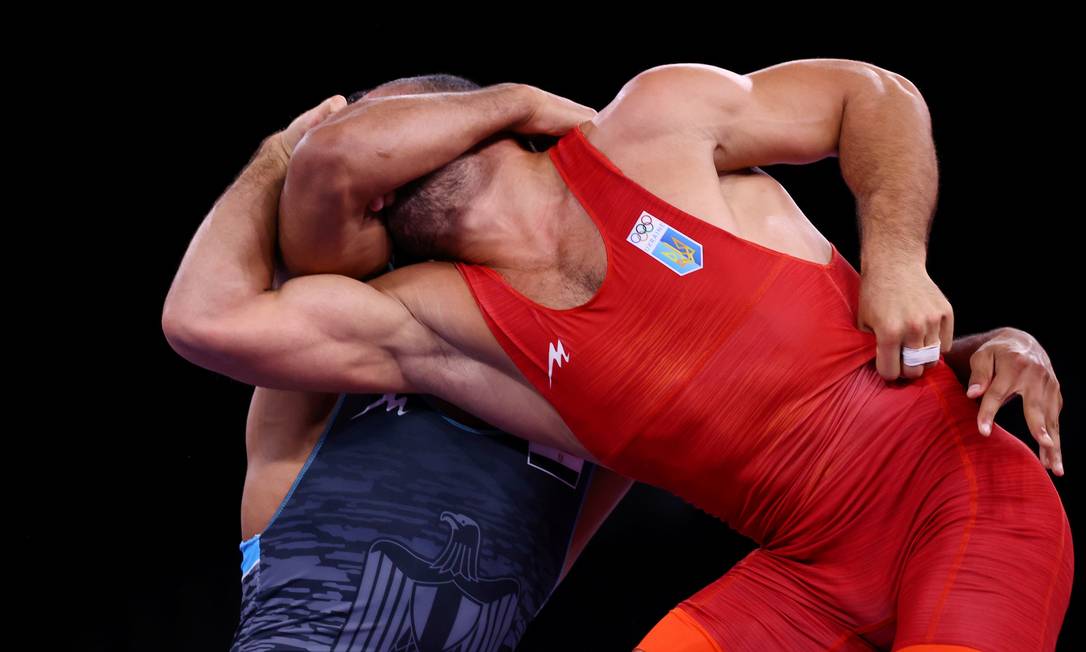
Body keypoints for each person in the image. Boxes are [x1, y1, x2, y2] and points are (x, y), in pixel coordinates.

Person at [164, 61, 1071, 650]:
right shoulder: (441, 318)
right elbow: (210, 317)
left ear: (462, 112)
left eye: (378, 112)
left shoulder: (650, 129)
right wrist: (283, 152)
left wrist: (904, 265)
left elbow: (873, 95)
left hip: (960, 498)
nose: (351, 140)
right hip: (808, 577)